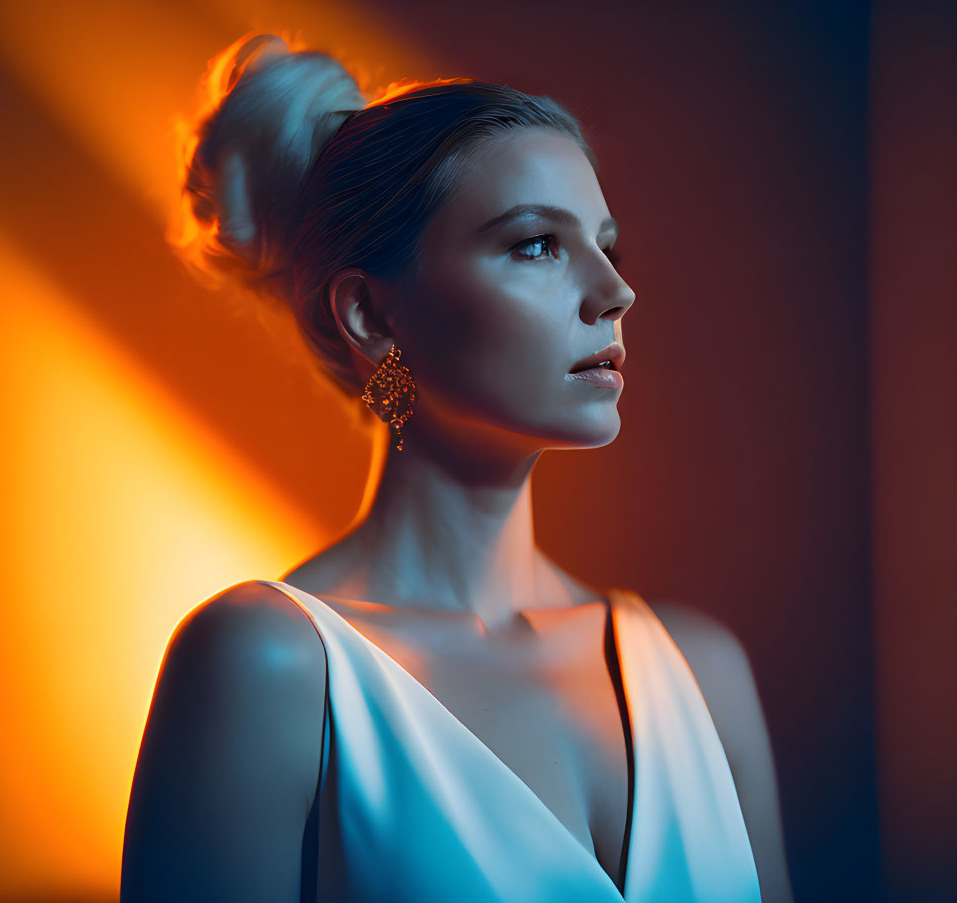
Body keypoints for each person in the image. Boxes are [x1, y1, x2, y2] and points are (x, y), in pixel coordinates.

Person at [121, 31, 793, 903]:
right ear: (370, 313)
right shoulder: (270, 666)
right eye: (535, 245)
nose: (613, 292)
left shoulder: (701, 671)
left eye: (605, 246)